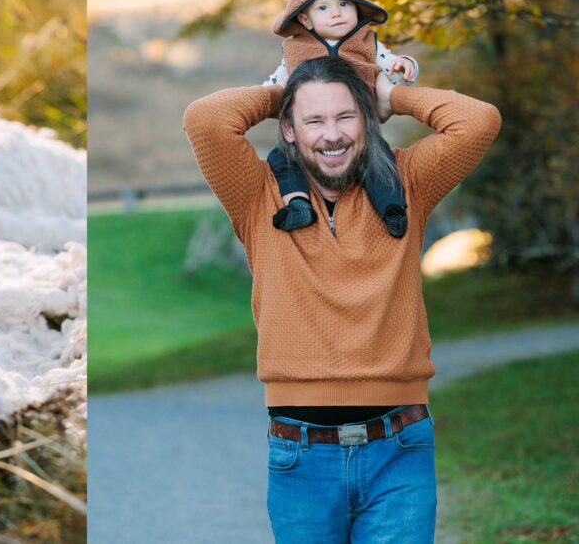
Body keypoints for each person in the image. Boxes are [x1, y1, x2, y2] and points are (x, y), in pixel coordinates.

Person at [183, 55, 499, 542]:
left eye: (346, 116)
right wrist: (280, 91)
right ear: (289, 129)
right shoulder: (255, 193)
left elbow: (478, 122)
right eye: (314, 120)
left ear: (367, 120)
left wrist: (393, 95)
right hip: (300, 457)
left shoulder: (408, 182)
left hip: (401, 450)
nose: (332, 135)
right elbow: (205, 120)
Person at [260, 0, 418, 238]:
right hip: (312, 131)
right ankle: (298, 204)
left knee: (380, 159)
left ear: (357, 8)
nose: (336, 13)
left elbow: (391, 62)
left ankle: (392, 208)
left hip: (360, 126)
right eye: (323, 8)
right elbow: (277, 81)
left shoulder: (367, 42)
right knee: (282, 158)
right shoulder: (296, 50)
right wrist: (260, 98)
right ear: (306, 19)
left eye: (344, 4)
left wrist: (402, 67)